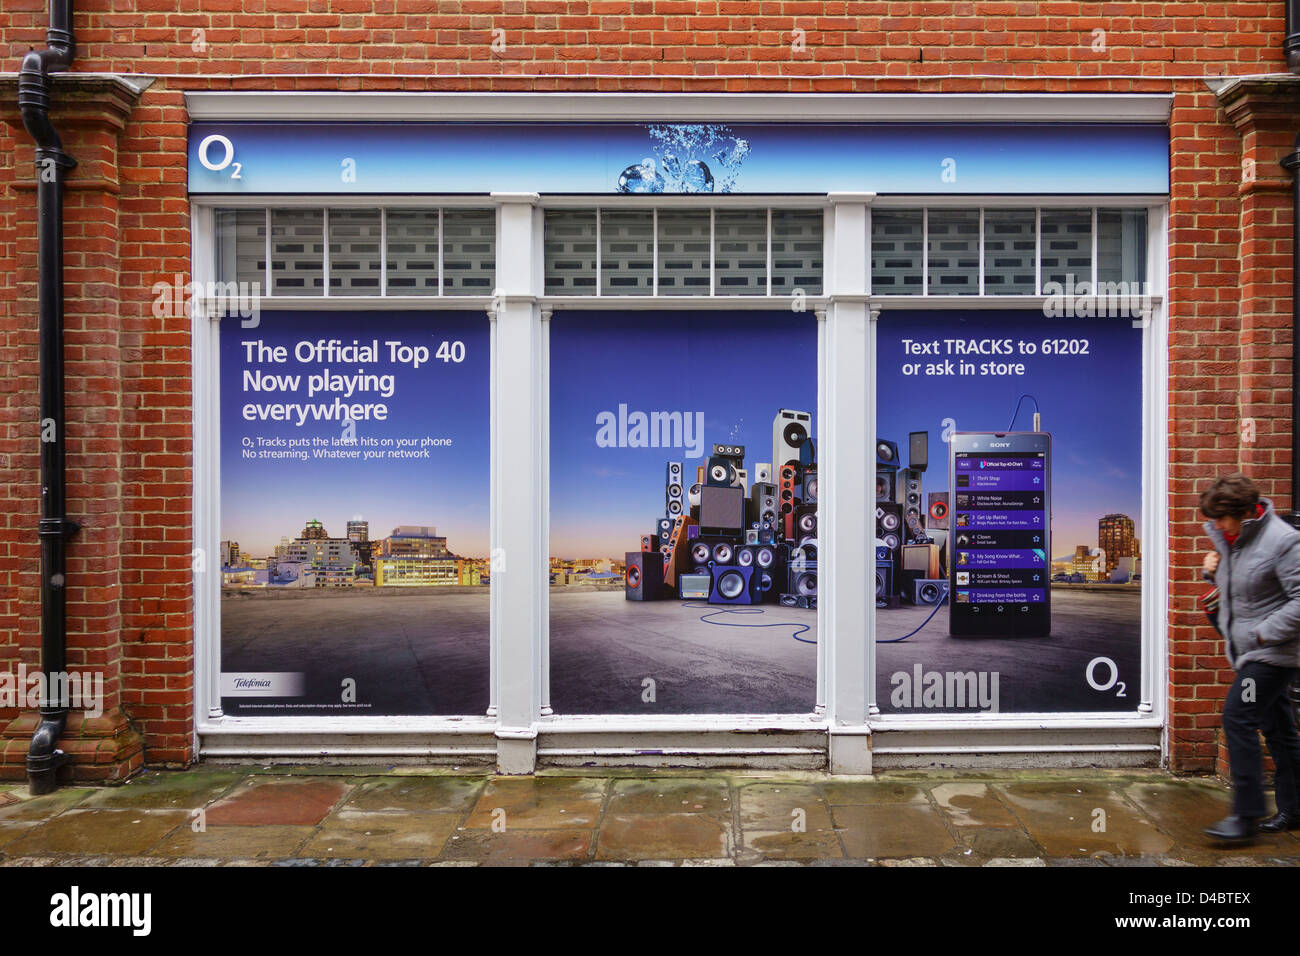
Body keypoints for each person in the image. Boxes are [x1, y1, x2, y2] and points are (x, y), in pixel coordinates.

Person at [1199, 473, 1300, 843]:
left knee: (1237, 717)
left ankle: (1245, 817)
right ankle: (1294, 809)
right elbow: (1245, 589)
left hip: (1271, 654)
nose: (1215, 524)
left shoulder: (1283, 541)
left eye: (1221, 518)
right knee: (1280, 730)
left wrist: (1262, 633)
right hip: (1249, 652)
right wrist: (1211, 573)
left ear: (1244, 513)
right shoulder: (1234, 540)